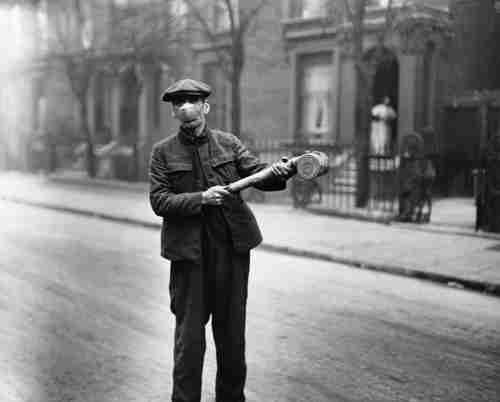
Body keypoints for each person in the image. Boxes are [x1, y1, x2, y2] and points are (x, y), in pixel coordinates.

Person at [149, 78, 294, 402]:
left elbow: (258, 172)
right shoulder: (162, 153)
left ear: (206, 106)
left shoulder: (229, 144)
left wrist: (284, 170)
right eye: (178, 102)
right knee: (189, 344)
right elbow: (159, 201)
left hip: (230, 251)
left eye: (191, 100)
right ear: (174, 112)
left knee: (231, 341)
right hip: (189, 256)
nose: (184, 106)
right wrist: (201, 197)